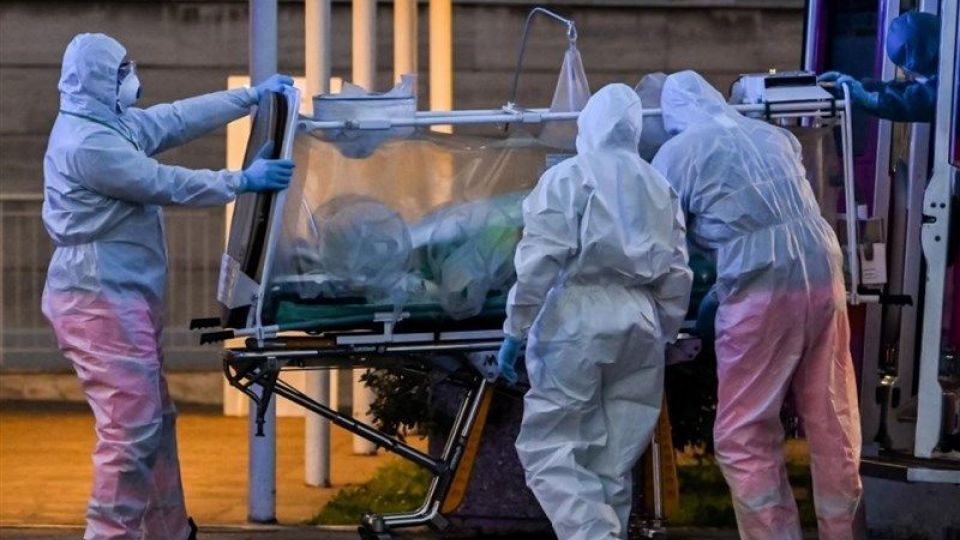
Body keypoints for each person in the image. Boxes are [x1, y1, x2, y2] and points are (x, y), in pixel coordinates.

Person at [41, 33, 295, 540]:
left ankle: (168, 530)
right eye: (121, 71)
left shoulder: (109, 124)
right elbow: (164, 183)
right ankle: (110, 534)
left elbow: (175, 119)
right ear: (97, 79)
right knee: (131, 430)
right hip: (98, 298)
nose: (131, 77)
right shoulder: (89, 144)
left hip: (118, 296)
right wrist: (242, 181)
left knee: (152, 422)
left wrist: (248, 97)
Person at [652, 70, 862, 540]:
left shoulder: (677, 154)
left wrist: (668, 316)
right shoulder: (772, 136)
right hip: (822, 270)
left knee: (744, 433)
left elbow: (664, 241)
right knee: (831, 417)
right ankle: (843, 531)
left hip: (759, 285)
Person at [496, 84, 692, 540]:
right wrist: (663, 329)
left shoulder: (570, 177)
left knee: (551, 448)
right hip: (641, 319)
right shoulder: (658, 186)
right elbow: (677, 271)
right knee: (614, 460)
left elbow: (540, 259)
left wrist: (516, 327)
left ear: (590, 123)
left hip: (577, 317)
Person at [819, 11, 940, 122]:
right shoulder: (941, 57)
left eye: (906, 67)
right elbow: (907, 91)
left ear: (919, 57)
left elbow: (919, 102)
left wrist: (872, 100)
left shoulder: (946, 85)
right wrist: (859, 88)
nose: (904, 73)